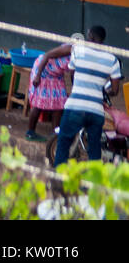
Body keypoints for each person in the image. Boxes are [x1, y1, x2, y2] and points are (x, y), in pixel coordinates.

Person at [41, 26, 123, 165]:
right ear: (103, 40)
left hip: (75, 107)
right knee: (95, 149)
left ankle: (58, 180)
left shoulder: (78, 51)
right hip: (96, 111)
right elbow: (114, 90)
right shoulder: (113, 60)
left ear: (90, 36)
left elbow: (72, 74)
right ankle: (93, 182)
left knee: (64, 142)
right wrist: (102, 90)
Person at [25, 51, 72, 141]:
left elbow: (72, 74)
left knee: (60, 103)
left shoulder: (82, 55)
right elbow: (47, 56)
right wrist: (38, 76)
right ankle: (30, 133)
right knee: (39, 103)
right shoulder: (70, 48)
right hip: (42, 71)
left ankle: (55, 136)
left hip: (56, 75)